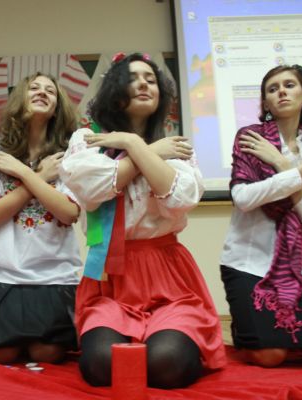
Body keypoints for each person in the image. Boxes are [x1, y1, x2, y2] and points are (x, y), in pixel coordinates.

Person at [60, 52, 226, 389]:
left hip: (168, 277)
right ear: (115, 90)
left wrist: (133, 144)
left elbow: (180, 200)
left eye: (151, 79)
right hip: (110, 278)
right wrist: (141, 149)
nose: (144, 84)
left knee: (166, 362)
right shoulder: (88, 140)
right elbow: (92, 190)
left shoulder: (175, 146)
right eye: (133, 78)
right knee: (100, 365)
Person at [220, 64, 302, 367]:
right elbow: (243, 198)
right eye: (272, 88)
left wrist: (283, 165)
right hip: (247, 263)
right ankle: (248, 328)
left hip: (298, 265)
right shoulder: (251, 139)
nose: (281, 91)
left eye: (289, 85)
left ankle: (284, 332)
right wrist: (298, 175)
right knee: (270, 356)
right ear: (265, 103)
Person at [0, 72, 82, 365]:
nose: (42, 93)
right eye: (34, 88)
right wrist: (39, 176)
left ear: (57, 108)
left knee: (47, 353)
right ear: (20, 99)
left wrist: (24, 173)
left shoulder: (68, 154)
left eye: (50, 91)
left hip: (53, 274)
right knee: (0, 352)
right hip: (2, 273)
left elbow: (69, 213)